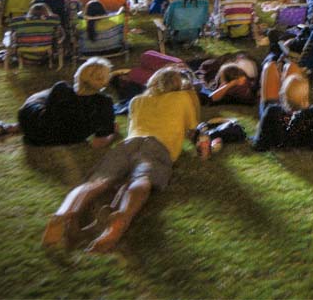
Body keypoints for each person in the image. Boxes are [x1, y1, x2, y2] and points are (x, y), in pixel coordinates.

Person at [42, 65, 201, 253]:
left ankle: (63, 213)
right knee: (142, 179)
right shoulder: (182, 98)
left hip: (129, 144)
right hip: (158, 146)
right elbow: (193, 127)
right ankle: (121, 218)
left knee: (98, 181)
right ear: (177, 84)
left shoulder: (137, 101)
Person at [0, 58, 116, 146]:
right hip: (70, 139)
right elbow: (98, 143)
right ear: (104, 81)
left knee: (45, 99)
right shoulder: (105, 103)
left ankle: (11, 128)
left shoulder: (61, 89)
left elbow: (51, 116)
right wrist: (113, 132)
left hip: (35, 134)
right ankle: (11, 128)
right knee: (59, 113)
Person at [251, 58, 313, 151]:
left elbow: (259, 144)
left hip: (279, 113)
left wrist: (260, 127)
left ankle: (287, 88)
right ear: (306, 97)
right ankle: (293, 91)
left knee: (270, 67)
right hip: (297, 110)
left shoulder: (272, 112)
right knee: (292, 66)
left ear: (282, 96)